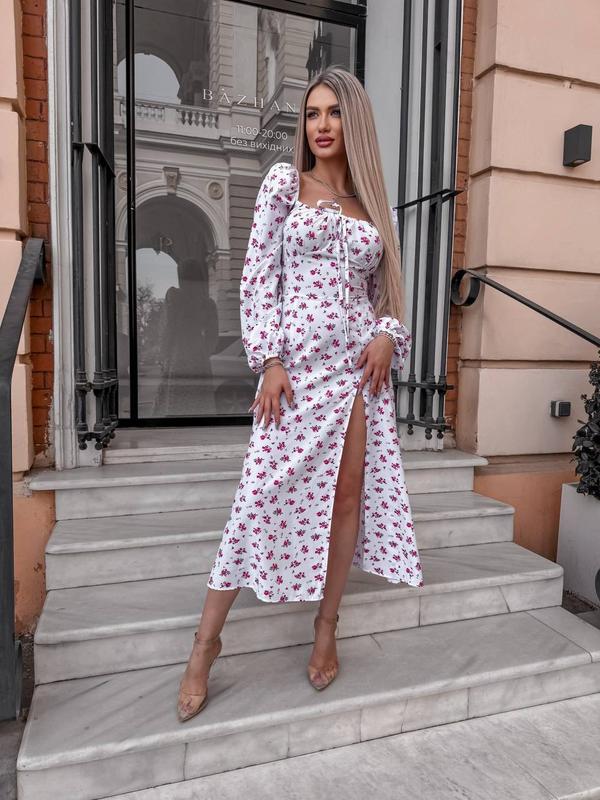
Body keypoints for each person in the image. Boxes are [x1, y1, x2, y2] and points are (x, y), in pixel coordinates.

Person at [177, 66, 424, 723]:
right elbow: (257, 277)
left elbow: (388, 297)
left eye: (333, 112)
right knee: (255, 500)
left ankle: (326, 626)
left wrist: (388, 335)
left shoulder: (373, 205)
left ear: (354, 121)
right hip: (295, 373)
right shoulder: (284, 184)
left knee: (346, 501)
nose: (320, 125)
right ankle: (205, 645)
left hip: (357, 377)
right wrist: (269, 360)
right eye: (312, 113)